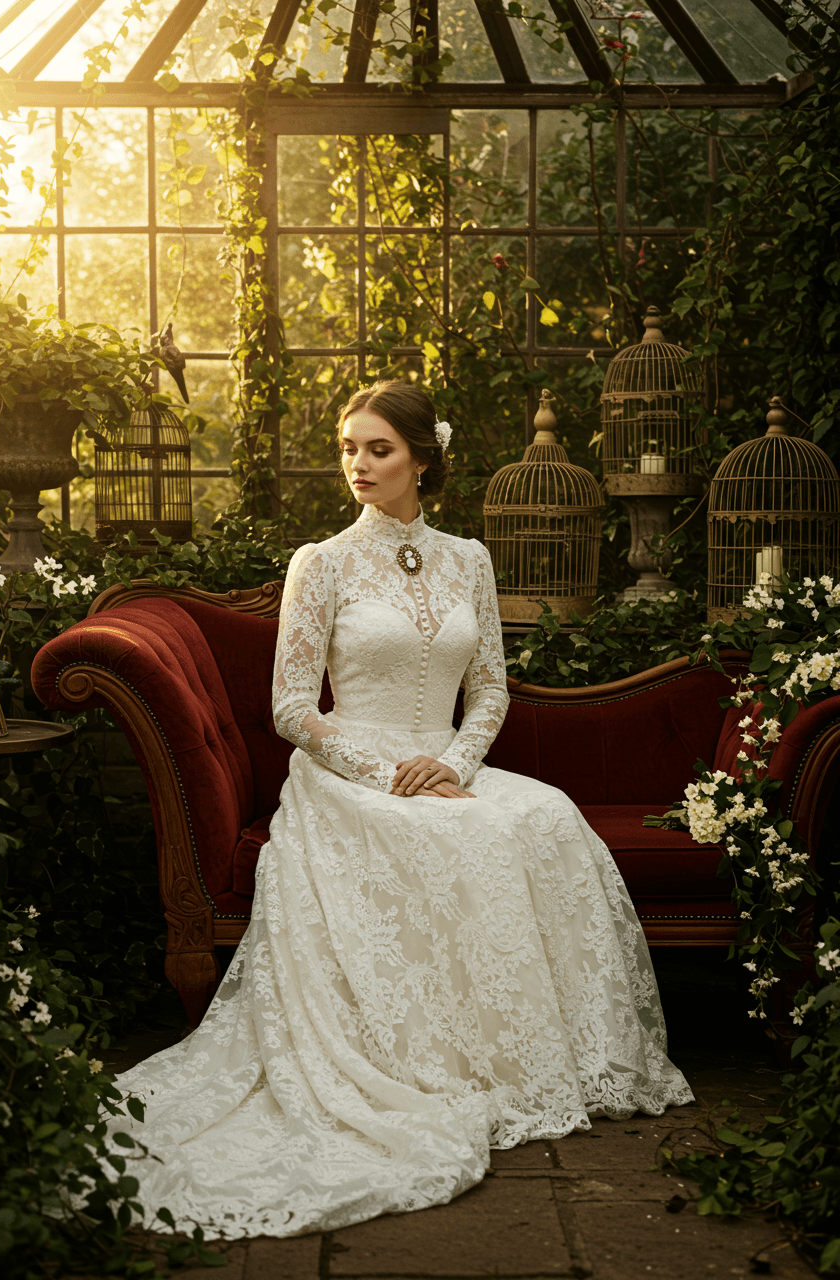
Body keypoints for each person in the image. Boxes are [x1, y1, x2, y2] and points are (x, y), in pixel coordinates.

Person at [105, 380, 692, 1239]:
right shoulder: (324, 563)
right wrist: (388, 776)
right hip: (348, 773)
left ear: (423, 458)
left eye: (378, 449)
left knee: (542, 817)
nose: (359, 465)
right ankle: (421, 1065)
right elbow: (291, 710)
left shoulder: (469, 560)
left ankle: (524, 1064)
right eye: (349, 448)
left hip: (444, 761)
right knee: (444, 831)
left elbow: (489, 690)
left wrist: (450, 763)